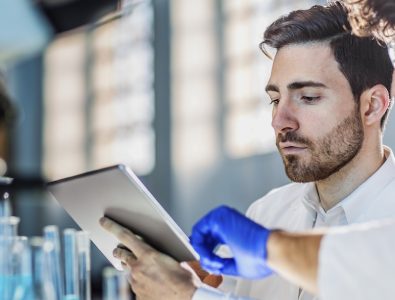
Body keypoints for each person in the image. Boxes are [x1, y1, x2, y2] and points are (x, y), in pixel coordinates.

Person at [100, 1, 395, 300]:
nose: (279, 121)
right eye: (275, 100)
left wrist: (186, 297)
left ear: (371, 105)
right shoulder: (266, 213)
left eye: (307, 97)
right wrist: (192, 282)